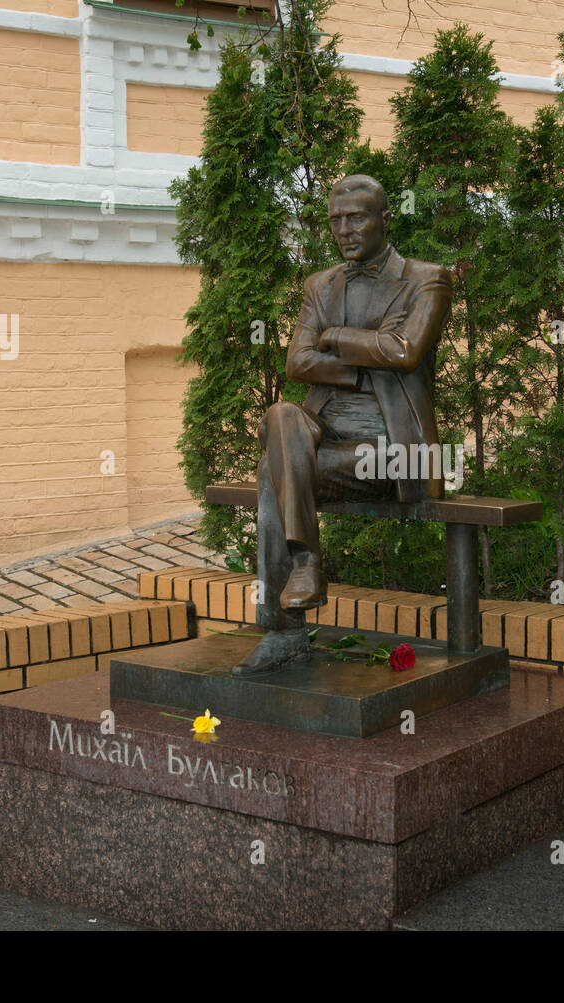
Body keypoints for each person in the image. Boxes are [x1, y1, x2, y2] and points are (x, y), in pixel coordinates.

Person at [233, 174, 452, 676]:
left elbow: (407, 350)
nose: (345, 230)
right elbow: (297, 363)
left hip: (393, 451)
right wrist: (367, 358)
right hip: (323, 442)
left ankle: (283, 632)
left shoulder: (427, 279)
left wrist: (334, 337)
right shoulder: (320, 285)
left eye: (356, 217)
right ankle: (307, 560)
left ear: (384, 219)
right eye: (336, 220)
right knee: (282, 416)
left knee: (274, 472)